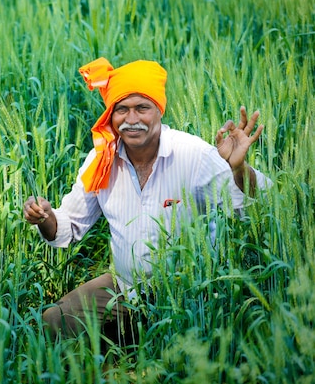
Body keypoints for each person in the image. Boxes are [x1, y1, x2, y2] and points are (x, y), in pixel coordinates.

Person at [23, 57, 269, 345]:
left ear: (159, 111)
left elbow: (257, 205)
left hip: (188, 293)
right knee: (52, 324)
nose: (132, 119)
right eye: (122, 109)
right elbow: (67, 227)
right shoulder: (102, 161)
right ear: (110, 116)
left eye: (142, 108)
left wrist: (239, 169)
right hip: (124, 287)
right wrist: (45, 217)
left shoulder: (193, 155)